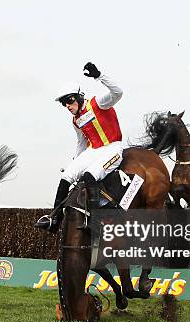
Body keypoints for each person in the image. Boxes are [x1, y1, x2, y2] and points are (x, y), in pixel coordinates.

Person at [35, 62, 124, 232]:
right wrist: (75, 162)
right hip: (93, 151)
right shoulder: (75, 120)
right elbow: (81, 143)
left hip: (113, 148)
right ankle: (54, 219)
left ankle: (96, 221)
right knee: (66, 176)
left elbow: (118, 92)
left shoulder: (98, 103)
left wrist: (99, 76)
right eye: (64, 104)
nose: (67, 106)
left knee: (89, 176)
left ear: (79, 97)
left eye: (69, 100)